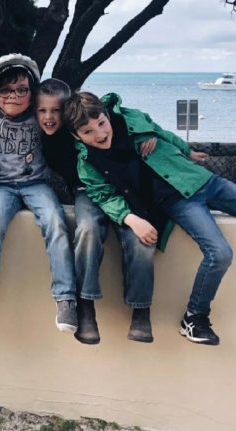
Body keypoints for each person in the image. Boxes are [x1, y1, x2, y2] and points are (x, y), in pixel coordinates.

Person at [66, 91, 236, 346]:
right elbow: (104, 197)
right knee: (220, 252)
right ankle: (195, 317)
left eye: (101, 123)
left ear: (106, 114)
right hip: (179, 202)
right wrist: (130, 219)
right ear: (78, 137)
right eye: (88, 131)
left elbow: (162, 133)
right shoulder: (88, 164)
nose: (100, 133)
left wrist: (186, 151)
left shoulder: (129, 120)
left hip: (202, 180)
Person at [38, 79, 157, 344]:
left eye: (56, 111)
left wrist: (150, 132)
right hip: (85, 191)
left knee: (141, 238)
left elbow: (126, 116)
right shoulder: (37, 132)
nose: (49, 117)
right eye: (42, 111)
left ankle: (141, 309)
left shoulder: (86, 125)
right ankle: (86, 306)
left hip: (122, 188)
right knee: (88, 229)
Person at [0, 55, 79, 334]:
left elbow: (77, 115)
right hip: (1, 186)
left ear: (33, 92)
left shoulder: (40, 114)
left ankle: (66, 298)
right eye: (5, 90)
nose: (13, 96)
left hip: (35, 184)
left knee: (55, 220)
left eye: (21, 89)